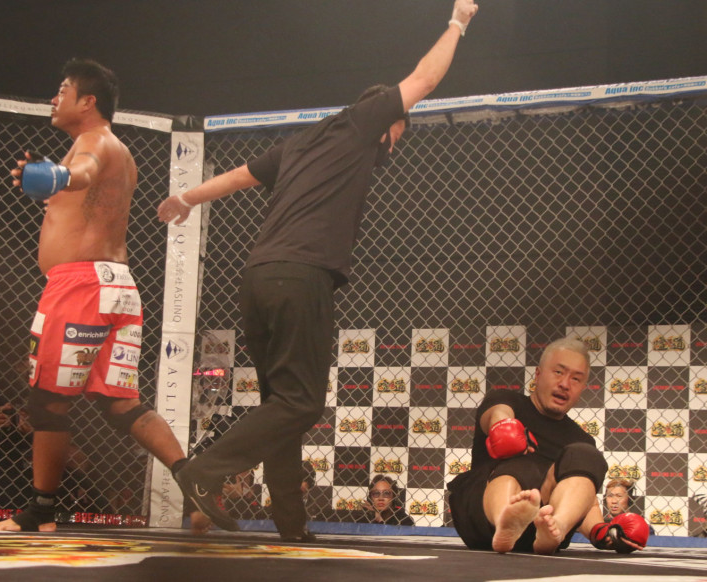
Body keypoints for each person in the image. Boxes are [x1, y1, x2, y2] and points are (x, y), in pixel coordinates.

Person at [158, 0, 480, 540]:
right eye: (398, 133)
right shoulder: (361, 122)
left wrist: (187, 198)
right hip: (299, 275)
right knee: (302, 403)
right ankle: (203, 471)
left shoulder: (301, 142)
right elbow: (424, 79)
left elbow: (238, 178)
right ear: (387, 120)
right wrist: (458, 22)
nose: (393, 147)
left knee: (280, 403)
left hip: (258, 277)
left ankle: (289, 521)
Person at [0, 58, 185, 532]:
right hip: (117, 286)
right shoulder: (121, 152)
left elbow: (84, 173)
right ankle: (192, 476)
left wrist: (56, 177)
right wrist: (47, 183)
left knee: (48, 402)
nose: (54, 99)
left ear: (87, 101)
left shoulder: (93, 142)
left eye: (63, 90)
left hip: (80, 286)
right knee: (120, 403)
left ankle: (40, 511)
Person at [448, 337, 649, 554]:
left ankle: (556, 530)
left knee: (586, 454)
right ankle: (506, 522)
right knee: (522, 466)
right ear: (538, 374)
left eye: (575, 379)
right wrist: (505, 428)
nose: (565, 384)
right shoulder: (507, 401)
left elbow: (586, 499)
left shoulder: (580, 439)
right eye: (558, 372)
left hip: (539, 526)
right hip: (482, 517)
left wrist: (602, 532)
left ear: (582, 387)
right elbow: (498, 413)